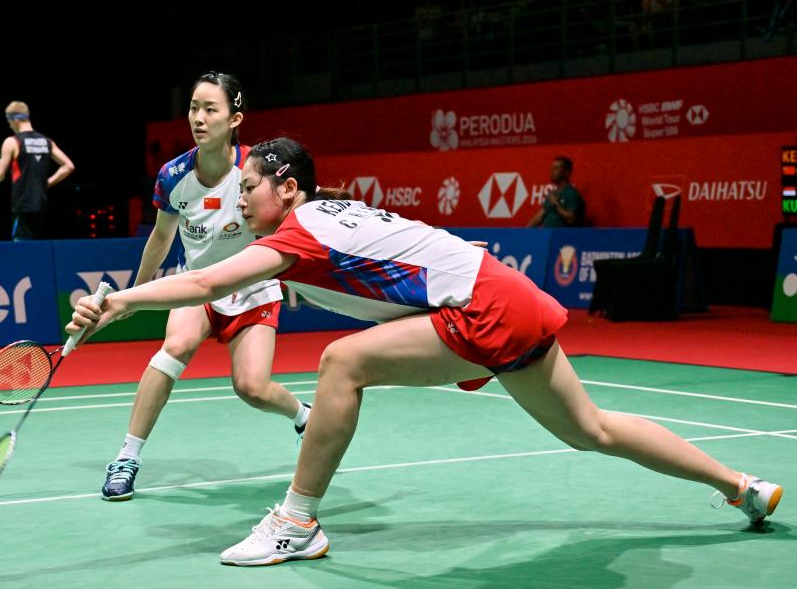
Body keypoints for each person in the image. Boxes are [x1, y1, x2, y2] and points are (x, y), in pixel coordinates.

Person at [67, 137, 783, 566]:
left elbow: (206, 281)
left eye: (248, 188)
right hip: (502, 291)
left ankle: (295, 523)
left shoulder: (299, 232)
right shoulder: (329, 214)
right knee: (590, 429)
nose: (240, 200)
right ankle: (742, 485)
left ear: (287, 188)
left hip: (480, 306)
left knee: (341, 362)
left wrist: (120, 301)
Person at [97, 73, 311, 503]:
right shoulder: (173, 175)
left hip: (252, 288)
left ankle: (304, 415)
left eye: (210, 109)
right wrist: (135, 295)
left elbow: (300, 213)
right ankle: (126, 457)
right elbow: (161, 238)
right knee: (173, 349)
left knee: (251, 388)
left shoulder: (258, 170)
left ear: (234, 119)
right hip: (196, 285)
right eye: (194, 107)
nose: (198, 117)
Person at [0, 101, 75, 240]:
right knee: (37, 246)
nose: (10, 126)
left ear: (15, 119)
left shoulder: (12, 142)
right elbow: (69, 166)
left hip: (22, 206)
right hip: (41, 205)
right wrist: (47, 183)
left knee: (22, 247)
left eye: (9, 122)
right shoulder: (46, 141)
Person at [527, 156, 585, 228]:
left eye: (556, 168)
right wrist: (523, 232)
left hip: (562, 234)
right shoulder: (552, 194)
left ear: (566, 172)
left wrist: (556, 205)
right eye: (552, 168)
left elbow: (571, 220)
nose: (552, 171)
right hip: (547, 233)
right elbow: (538, 218)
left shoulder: (572, 194)